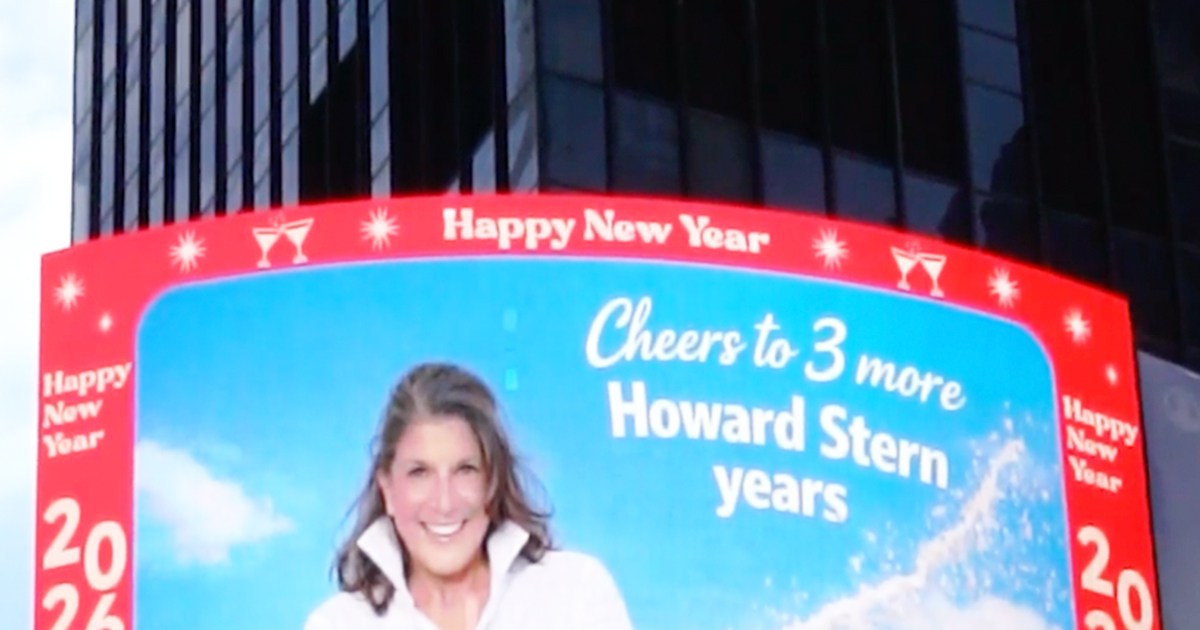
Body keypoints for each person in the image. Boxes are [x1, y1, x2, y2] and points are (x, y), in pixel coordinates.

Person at [304, 362, 633, 630]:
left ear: (492, 481)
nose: (444, 503)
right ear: (387, 490)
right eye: (419, 472)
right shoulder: (337, 624)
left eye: (465, 470)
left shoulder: (576, 592)